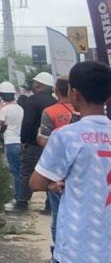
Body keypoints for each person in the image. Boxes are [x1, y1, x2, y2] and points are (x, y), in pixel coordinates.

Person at [30, 61, 111, 263]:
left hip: (77, 249)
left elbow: (36, 183)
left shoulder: (66, 136)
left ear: (75, 94)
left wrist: (52, 184)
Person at [37, 76, 79, 251]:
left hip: (56, 173)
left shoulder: (50, 112)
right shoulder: (85, 112)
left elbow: (42, 140)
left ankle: (58, 249)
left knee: (58, 214)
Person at [19, 72, 57, 209]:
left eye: (35, 82)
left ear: (39, 85)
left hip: (33, 144)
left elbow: (27, 123)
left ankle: (22, 201)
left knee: (27, 172)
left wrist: (23, 140)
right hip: (51, 145)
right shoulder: (55, 102)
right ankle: (49, 204)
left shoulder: (32, 100)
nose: (33, 85)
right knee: (50, 173)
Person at [0, 81, 26, 211]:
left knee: (15, 172)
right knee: (20, 171)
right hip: (20, 142)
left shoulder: (5, 109)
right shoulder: (20, 108)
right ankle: (21, 197)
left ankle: (19, 199)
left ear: (2, 95)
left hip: (11, 143)